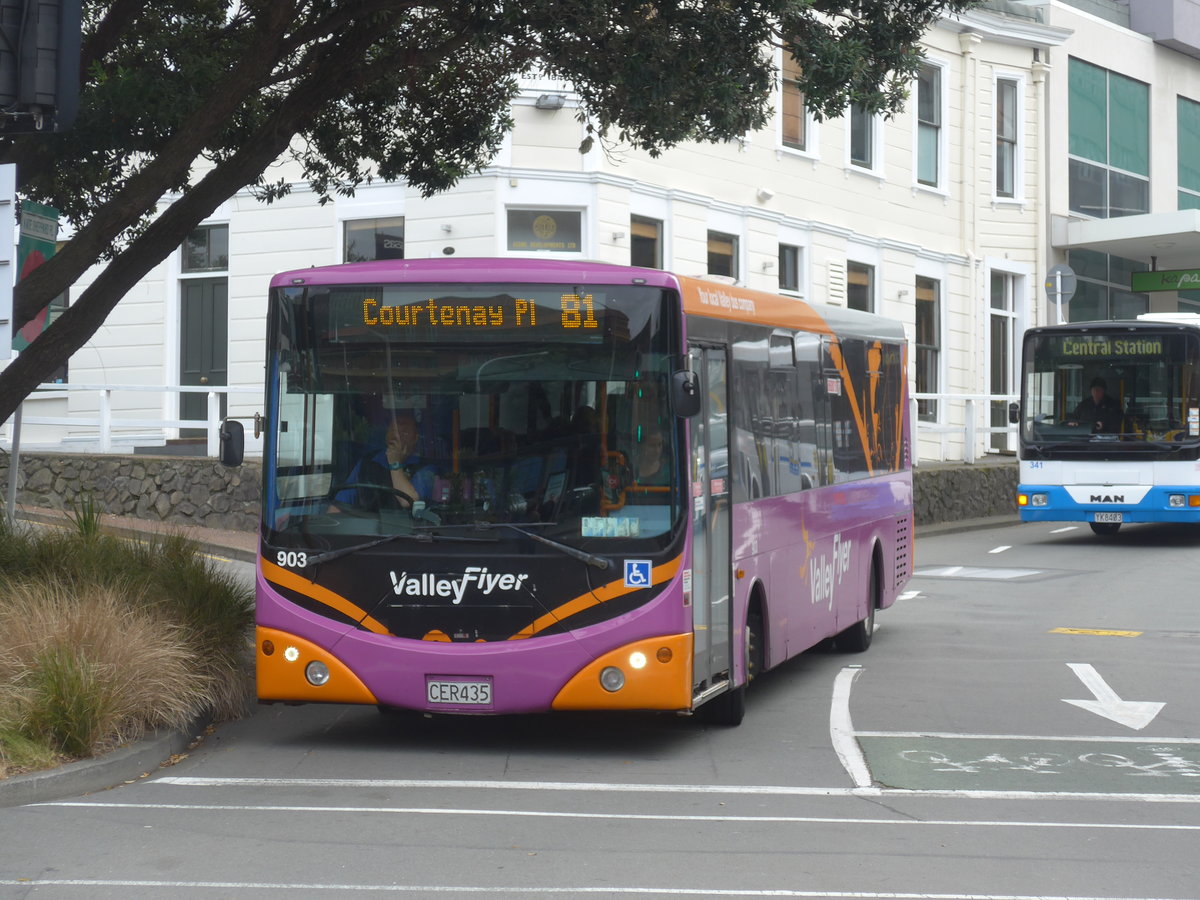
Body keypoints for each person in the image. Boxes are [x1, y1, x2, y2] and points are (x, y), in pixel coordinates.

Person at [330, 414, 434, 511]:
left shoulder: (425, 468)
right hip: (364, 522)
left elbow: (407, 502)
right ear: (386, 435)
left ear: (415, 438)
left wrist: (395, 463)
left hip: (404, 524)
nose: (397, 436)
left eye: (404, 432)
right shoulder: (367, 461)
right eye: (393, 430)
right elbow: (340, 503)